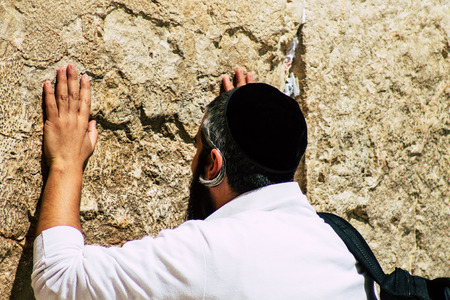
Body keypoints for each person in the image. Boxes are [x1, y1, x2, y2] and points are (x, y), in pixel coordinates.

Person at [32, 64, 375, 299]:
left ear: (213, 166)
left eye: (199, 148)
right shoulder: (339, 245)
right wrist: (247, 130)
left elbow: (58, 281)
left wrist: (65, 162)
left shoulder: (207, 252)